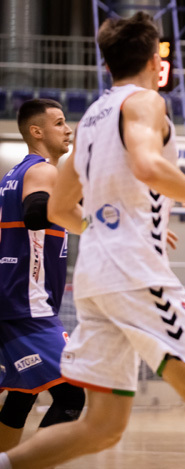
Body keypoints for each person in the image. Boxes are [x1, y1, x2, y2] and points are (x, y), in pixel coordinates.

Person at [0, 11, 185, 469]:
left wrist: (111, 229)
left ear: (107, 63)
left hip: (94, 279)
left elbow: (59, 209)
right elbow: (148, 166)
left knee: (102, 427)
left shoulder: (91, 119)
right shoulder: (145, 102)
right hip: (135, 272)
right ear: (155, 61)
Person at [0, 99, 86, 450]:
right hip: (28, 306)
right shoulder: (43, 171)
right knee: (71, 396)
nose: (68, 130)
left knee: (23, 395)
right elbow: (36, 212)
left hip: (14, 300)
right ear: (36, 132)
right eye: (60, 123)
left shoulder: (12, 176)